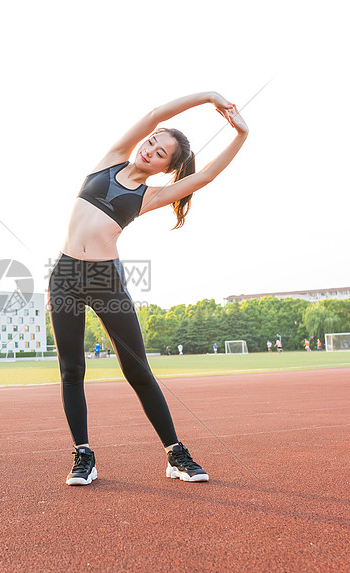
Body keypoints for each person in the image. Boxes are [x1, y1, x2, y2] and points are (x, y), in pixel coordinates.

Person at [47, 91, 248, 486]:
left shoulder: (148, 196)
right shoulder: (111, 158)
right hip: (65, 276)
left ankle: (175, 454)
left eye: (159, 154)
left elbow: (204, 176)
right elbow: (157, 112)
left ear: (164, 169)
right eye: (152, 142)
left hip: (106, 279)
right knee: (72, 370)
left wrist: (240, 135)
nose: (149, 150)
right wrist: (208, 96)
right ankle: (83, 456)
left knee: (137, 370)